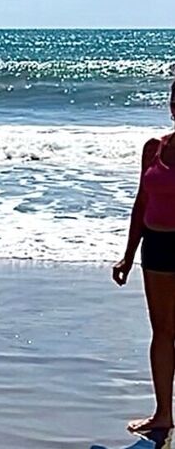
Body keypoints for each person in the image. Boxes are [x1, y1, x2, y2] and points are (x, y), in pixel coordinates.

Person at [114, 80, 175, 434]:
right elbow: (142, 204)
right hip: (156, 247)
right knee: (163, 331)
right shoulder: (154, 148)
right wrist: (127, 256)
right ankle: (164, 414)